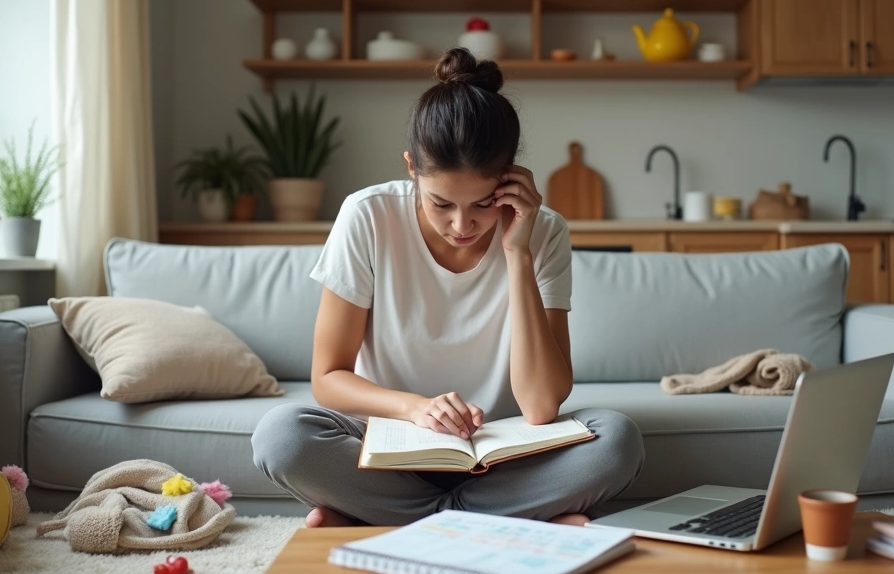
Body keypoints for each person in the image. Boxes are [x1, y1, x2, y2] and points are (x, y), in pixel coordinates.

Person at [251, 47, 644, 528]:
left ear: (509, 180)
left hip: (503, 453)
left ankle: (390, 516)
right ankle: (501, 518)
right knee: (281, 436)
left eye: (482, 204)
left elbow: (542, 407)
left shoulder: (544, 233)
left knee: (617, 438)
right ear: (411, 168)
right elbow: (328, 377)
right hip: (391, 446)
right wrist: (416, 409)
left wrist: (517, 254)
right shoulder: (367, 215)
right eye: (441, 204)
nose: (462, 224)